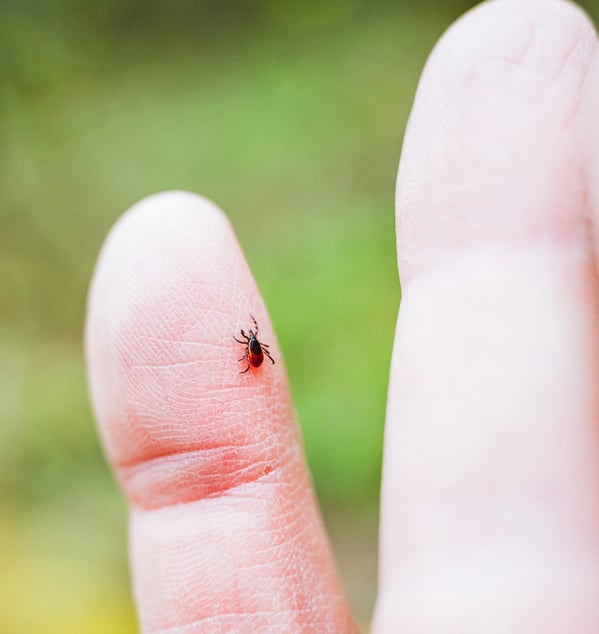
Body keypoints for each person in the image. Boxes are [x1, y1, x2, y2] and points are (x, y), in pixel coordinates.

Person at [84, 0, 599, 631]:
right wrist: (255, 355)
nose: (252, 345)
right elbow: (253, 350)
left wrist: (249, 354)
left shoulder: (247, 350)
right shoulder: (253, 350)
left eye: (252, 344)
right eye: (251, 344)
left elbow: (249, 349)